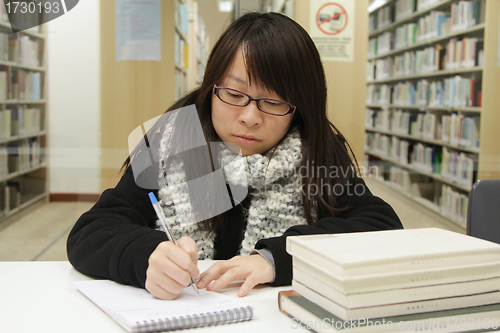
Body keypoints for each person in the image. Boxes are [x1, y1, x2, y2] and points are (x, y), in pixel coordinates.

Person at [67, 12, 402, 301]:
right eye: (233, 93)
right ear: (211, 88)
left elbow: (380, 228)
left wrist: (277, 259)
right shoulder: (170, 142)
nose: (250, 117)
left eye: (274, 102)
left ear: (300, 109)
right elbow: (92, 232)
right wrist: (148, 256)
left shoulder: (317, 151)